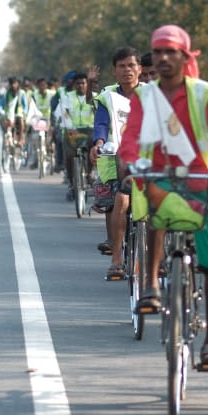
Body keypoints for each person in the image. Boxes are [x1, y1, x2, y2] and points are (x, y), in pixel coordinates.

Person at [118, 24, 208, 371]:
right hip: (161, 176)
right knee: (154, 202)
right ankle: (151, 286)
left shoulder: (205, 94)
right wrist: (127, 160)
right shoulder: (145, 97)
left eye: (171, 51)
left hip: (202, 179)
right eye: (158, 52)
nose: (163, 58)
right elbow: (132, 136)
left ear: (185, 57)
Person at [91, 47, 142, 275]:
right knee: (118, 202)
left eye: (131, 65)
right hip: (117, 161)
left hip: (149, 160)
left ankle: (158, 259)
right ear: (115, 70)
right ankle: (117, 258)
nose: (127, 70)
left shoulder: (153, 94)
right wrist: (99, 143)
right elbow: (101, 124)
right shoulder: (107, 97)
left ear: (139, 69)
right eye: (121, 66)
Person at [60, 68, 98, 200]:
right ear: (74, 85)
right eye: (78, 83)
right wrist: (71, 128)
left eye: (83, 83)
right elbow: (65, 114)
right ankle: (72, 184)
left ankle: (90, 173)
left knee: (92, 145)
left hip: (90, 129)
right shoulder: (67, 97)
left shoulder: (94, 96)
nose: (81, 85)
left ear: (87, 84)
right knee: (70, 156)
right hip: (73, 130)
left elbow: (98, 113)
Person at [0, 76, 36, 156]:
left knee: (20, 120)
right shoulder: (7, 93)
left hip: (19, 113)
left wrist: (25, 113)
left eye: (15, 83)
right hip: (9, 113)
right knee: (3, 122)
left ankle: (20, 140)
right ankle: (8, 138)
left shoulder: (21, 93)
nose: (13, 85)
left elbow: (25, 106)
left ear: (18, 84)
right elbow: (2, 103)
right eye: (11, 84)